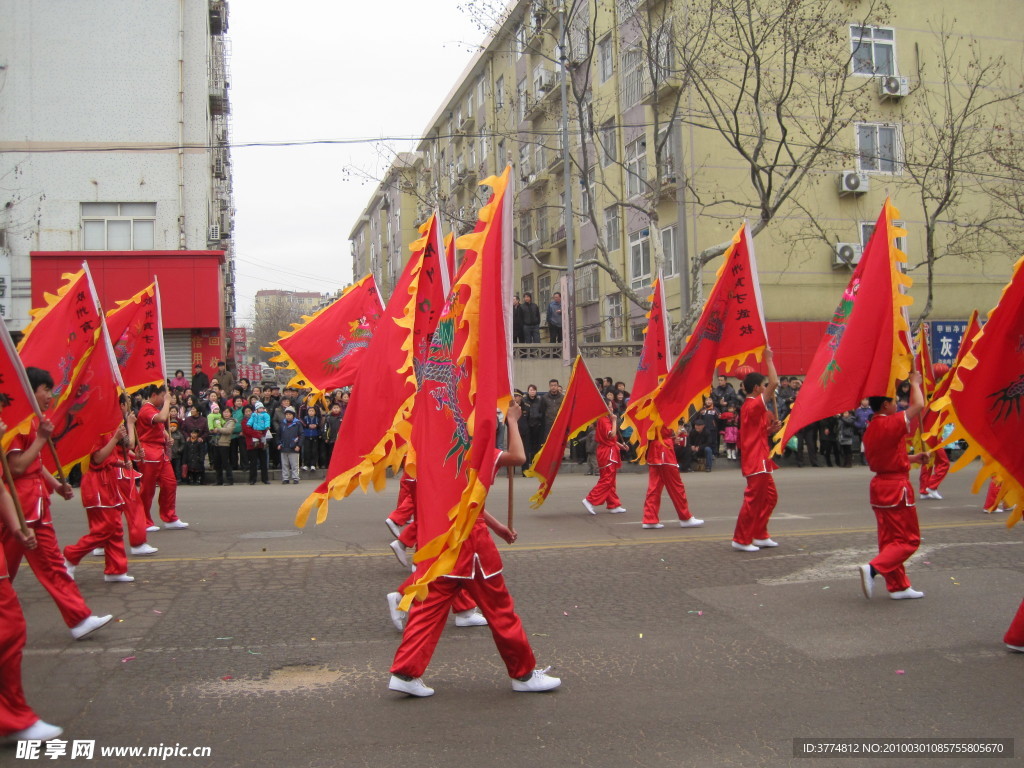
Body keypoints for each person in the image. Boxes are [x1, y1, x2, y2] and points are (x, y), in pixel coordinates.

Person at [388, 402, 560, 697]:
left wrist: (498, 527)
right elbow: (518, 457)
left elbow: (471, 503)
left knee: (428, 609)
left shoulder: (437, 453)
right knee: (500, 609)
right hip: (472, 546)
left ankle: (405, 672)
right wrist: (513, 421)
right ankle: (523, 673)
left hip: (445, 543)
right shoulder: (478, 453)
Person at [1, 373, 112, 640]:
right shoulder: (18, 426)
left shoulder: (35, 423)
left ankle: (79, 618)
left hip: (36, 505)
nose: (50, 396)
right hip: (18, 507)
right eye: (45, 389)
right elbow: (16, 467)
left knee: (52, 566)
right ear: (29, 392)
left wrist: (56, 486)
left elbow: (35, 466)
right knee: (6, 571)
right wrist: (40, 438)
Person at [0, 431, 64, 743]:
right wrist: (40, 438)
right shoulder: (22, 430)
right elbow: (17, 468)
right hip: (27, 501)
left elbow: (2, 488)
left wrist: (15, 528)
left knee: (10, 628)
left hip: (27, 508)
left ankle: (13, 716)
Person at [857, 371, 927, 601]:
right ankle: (874, 568)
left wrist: (913, 459)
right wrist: (915, 383)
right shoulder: (889, 423)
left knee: (889, 541)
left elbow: (887, 457)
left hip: (880, 485)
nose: (897, 405)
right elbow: (918, 405)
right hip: (896, 487)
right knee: (909, 540)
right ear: (885, 405)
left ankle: (898, 586)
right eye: (895, 401)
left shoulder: (871, 427)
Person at [63, 420, 136, 583]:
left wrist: (121, 463)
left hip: (108, 482)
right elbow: (97, 458)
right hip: (96, 484)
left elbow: (109, 458)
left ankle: (115, 569)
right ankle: (70, 557)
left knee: (116, 528)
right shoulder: (93, 431)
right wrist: (115, 438)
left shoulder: (107, 429)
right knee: (104, 529)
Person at [732, 350, 781, 552]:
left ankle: (760, 534)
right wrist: (769, 359)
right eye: (762, 385)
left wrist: (770, 430)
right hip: (755, 460)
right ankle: (741, 539)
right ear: (756, 388)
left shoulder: (754, 408)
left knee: (770, 497)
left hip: (761, 458)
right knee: (753, 501)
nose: (765, 388)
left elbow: (756, 432)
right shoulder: (752, 405)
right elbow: (775, 383)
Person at [137, 384, 189, 530]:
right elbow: (161, 418)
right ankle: (144, 520)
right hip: (148, 450)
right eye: (162, 396)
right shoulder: (146, 409)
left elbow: (159, 427)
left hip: (159, 451)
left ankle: (170, 517)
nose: (163, 399)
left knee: (170, 483)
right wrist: (167, 402)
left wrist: (166, 436)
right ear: (154, 395)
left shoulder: (153, 409)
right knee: (147, 488)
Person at [641, 426, 705, 529]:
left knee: (654, 487)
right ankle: (685, 517)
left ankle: (650, 518)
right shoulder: (662, 416)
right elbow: (662, 433)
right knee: (676, 487)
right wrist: (674, 435)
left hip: (655, 450)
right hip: (664, 451)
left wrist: (672, 437)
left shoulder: (652, 414)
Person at [582, 410, 627, 515]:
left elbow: (611, 439)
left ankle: (613, 504)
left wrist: (621, 445)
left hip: (608, 450)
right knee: (607, 479)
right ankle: (590, 499)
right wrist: (615, 421)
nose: (611, 409)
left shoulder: (605, 420)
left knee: (611, 480)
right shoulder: (604, 420)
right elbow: (611, 434)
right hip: (607, 453)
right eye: (609, 407)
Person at [244, 402, 271, 485]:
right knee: (253, 462)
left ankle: (265, 479)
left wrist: (263, 432)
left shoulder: (262, 416)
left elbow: (266, 426)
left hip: (262, 442)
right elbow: (247, 431)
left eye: (249, 411)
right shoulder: (245, 420)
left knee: (264, 461)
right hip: (252, 443)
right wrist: (259, 434)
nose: (248, 413)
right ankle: (252, 479)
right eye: (246, 411)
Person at [208, 404, 235, 486]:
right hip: (216, 443)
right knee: (217, 463)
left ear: (230, 413)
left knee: (225, 462)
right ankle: (219, 480)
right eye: (224, 412)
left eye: (227, 412)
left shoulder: (231, 421)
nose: (226, 414)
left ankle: (230, 480)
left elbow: (228, 430)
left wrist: (218, 429)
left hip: (224, 444)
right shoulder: (219, 419)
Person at [277, 407, 301, 484]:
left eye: (290, 414)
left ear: (293, 415)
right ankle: (285, 478)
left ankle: (295, 477)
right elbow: (278, 435)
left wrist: (299, 445)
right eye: (287, 414)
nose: (288, 416)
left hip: (294, 447)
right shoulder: (282, 424)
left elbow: (301, 435)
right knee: (284, 464)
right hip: (284, 447)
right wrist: (279, 444)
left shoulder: (297, 424)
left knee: (294, 464)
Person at [538, 379, 564, 443]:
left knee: (559, 441)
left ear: (558, 386)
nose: (553, 387)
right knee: (549, 441)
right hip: (548, 424)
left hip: (559, 423)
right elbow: (542, 410)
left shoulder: (563, 398)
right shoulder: (544, 397)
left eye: (555, 385)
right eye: (551, 385)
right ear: (549, 386)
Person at [300, 405, 322, 470]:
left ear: (315, 412)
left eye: (312, 411)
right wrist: (308, 426)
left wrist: (317, 428)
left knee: (314, 450)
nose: (311, 412)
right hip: (307, 435)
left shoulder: (317, 419)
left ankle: (313, 464)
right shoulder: (305, 418)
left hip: (315, 436)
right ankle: (306, 464)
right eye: (310, 411)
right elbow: (303, 426)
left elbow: (319, 427)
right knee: (306, 450)